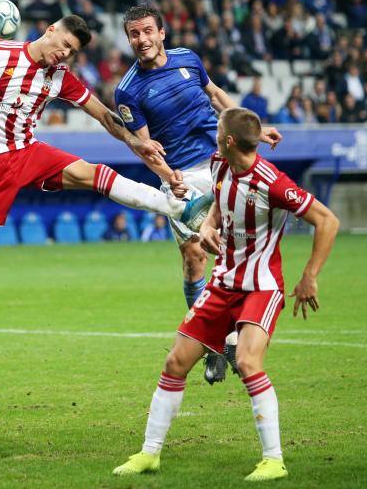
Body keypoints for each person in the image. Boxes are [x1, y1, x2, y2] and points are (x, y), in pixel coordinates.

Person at [0, 14, 211, 384]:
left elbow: (104, 115)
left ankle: (181, 207)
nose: (63, 54)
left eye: (71, 52)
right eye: (63, 44)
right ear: (50, 30)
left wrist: (136, 141)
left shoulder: (59, 78)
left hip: (27, 152)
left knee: (92, 173)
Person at [112, 107, 339, 481]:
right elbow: (219, 199)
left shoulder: (273, 182)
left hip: (260, 287)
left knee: (248, 362)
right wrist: (209, 227)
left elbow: (327, 220)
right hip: (223, 282)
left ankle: (274, 460)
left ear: (229, 140)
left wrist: (310, 275)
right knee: (175, 363)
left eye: (218, 129)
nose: (213, 133)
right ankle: (149, 453)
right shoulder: (220, 163)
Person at [114, 5, 282, 384]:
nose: (140, 40)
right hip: (181, 176)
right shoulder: (127, 90)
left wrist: (256, 129)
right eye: (133, 34)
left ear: (161, 32)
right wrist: (167, 176)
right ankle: (215, 344)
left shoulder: (188, 58)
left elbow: (218, 96)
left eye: (146, 31)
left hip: (222, 162)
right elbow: (144, 147)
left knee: (236, 250)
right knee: (195, 258)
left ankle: (233, 337)